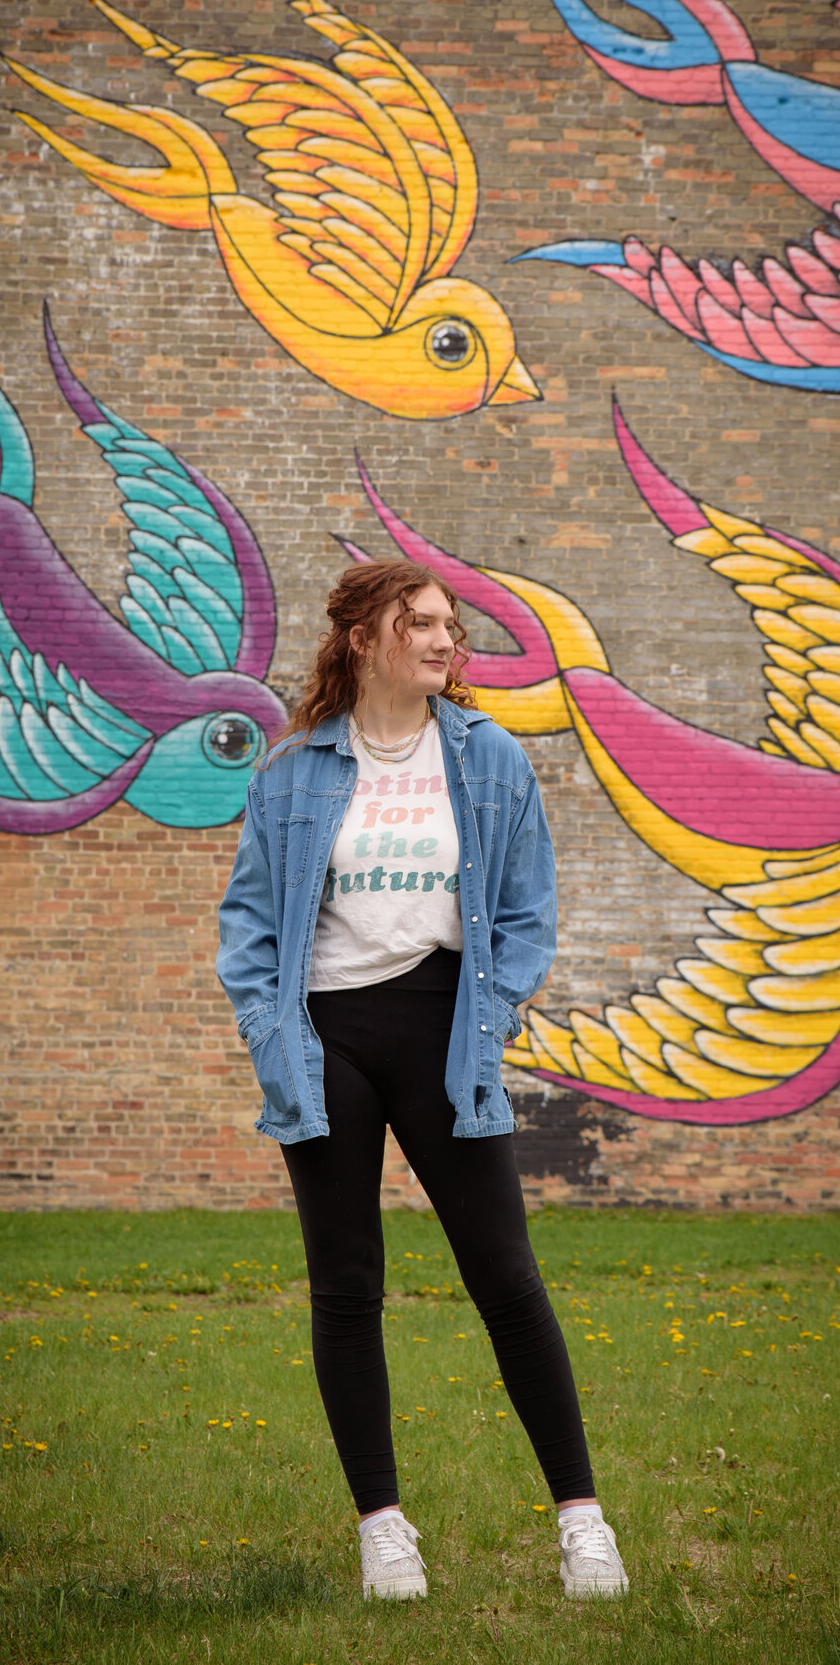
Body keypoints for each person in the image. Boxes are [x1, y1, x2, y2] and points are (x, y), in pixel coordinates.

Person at [216, 558, 627, 1602]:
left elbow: (530, 909)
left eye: (453, 626)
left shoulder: (489, 761)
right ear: (363, 635)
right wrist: (272, 1032)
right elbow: (252, 925)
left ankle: (584, 1525)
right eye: (424, 623)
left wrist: (491, 1020)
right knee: (347, 1286)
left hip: (448, 1029)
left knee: (505, 1275)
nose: (449, 641)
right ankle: (383, 1530)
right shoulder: (291, 773)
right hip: (328, 1040)